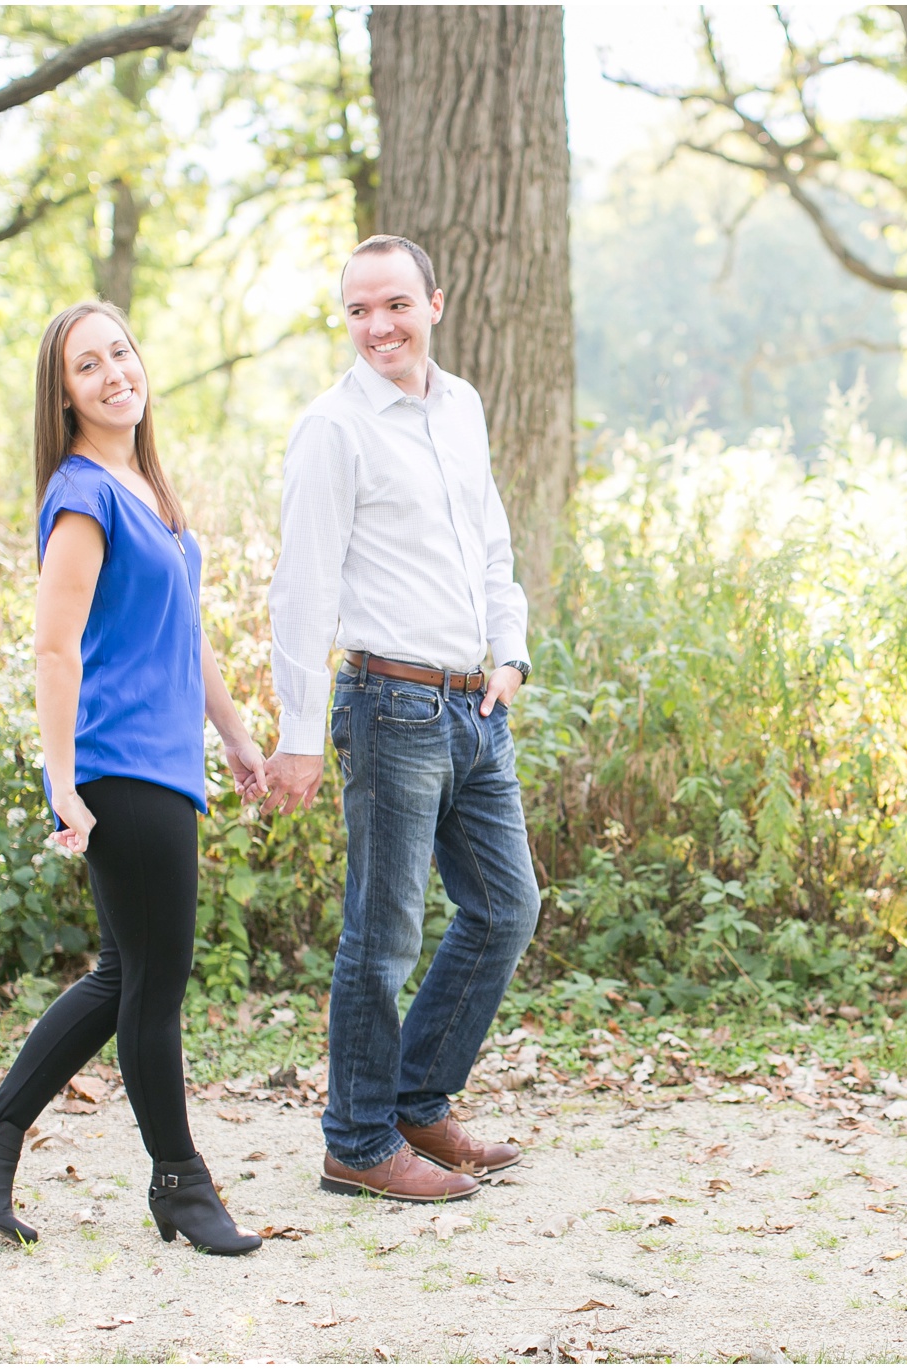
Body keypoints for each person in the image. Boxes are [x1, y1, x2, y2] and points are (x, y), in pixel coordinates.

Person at [0, 301, 268, 1256]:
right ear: (65, 392)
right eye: (88, 364)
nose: (114, 370)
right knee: (154, 986)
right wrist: (61, 781)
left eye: (121, 350)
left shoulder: (148, 488)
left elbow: (185, 637)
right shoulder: (84, 494)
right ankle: (181, 1187)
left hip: (167, 763)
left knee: (128, 973)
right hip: (118, 765)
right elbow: (54, 645)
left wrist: (236, 738)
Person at [265, 235, 539, 1204]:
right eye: (357, 310)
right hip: (390, 704)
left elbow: (490, 541)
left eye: (393, 304)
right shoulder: (332, 428)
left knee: (506, 908)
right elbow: (299, 587)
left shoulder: (459, 405)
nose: (376, 325)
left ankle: (418, 1101)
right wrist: (299, 731)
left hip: (475, 704)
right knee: (381, 940)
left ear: (434, 300)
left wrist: (508, 650)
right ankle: (356, 1138)